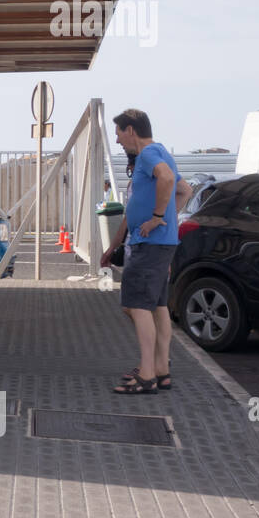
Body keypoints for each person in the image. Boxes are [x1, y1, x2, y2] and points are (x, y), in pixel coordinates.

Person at [100, 109, 181, 395]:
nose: (118, 140)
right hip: (156, 243)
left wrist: (158, 218)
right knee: (156, 306)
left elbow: (169, 180)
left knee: (136, 306)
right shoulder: (160, 152)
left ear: (130, 130)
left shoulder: (148, 155)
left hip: (150, 245)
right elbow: (184, 190)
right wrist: (115, 245)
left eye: (119, 133)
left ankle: (147, 374)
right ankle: (160, 369)